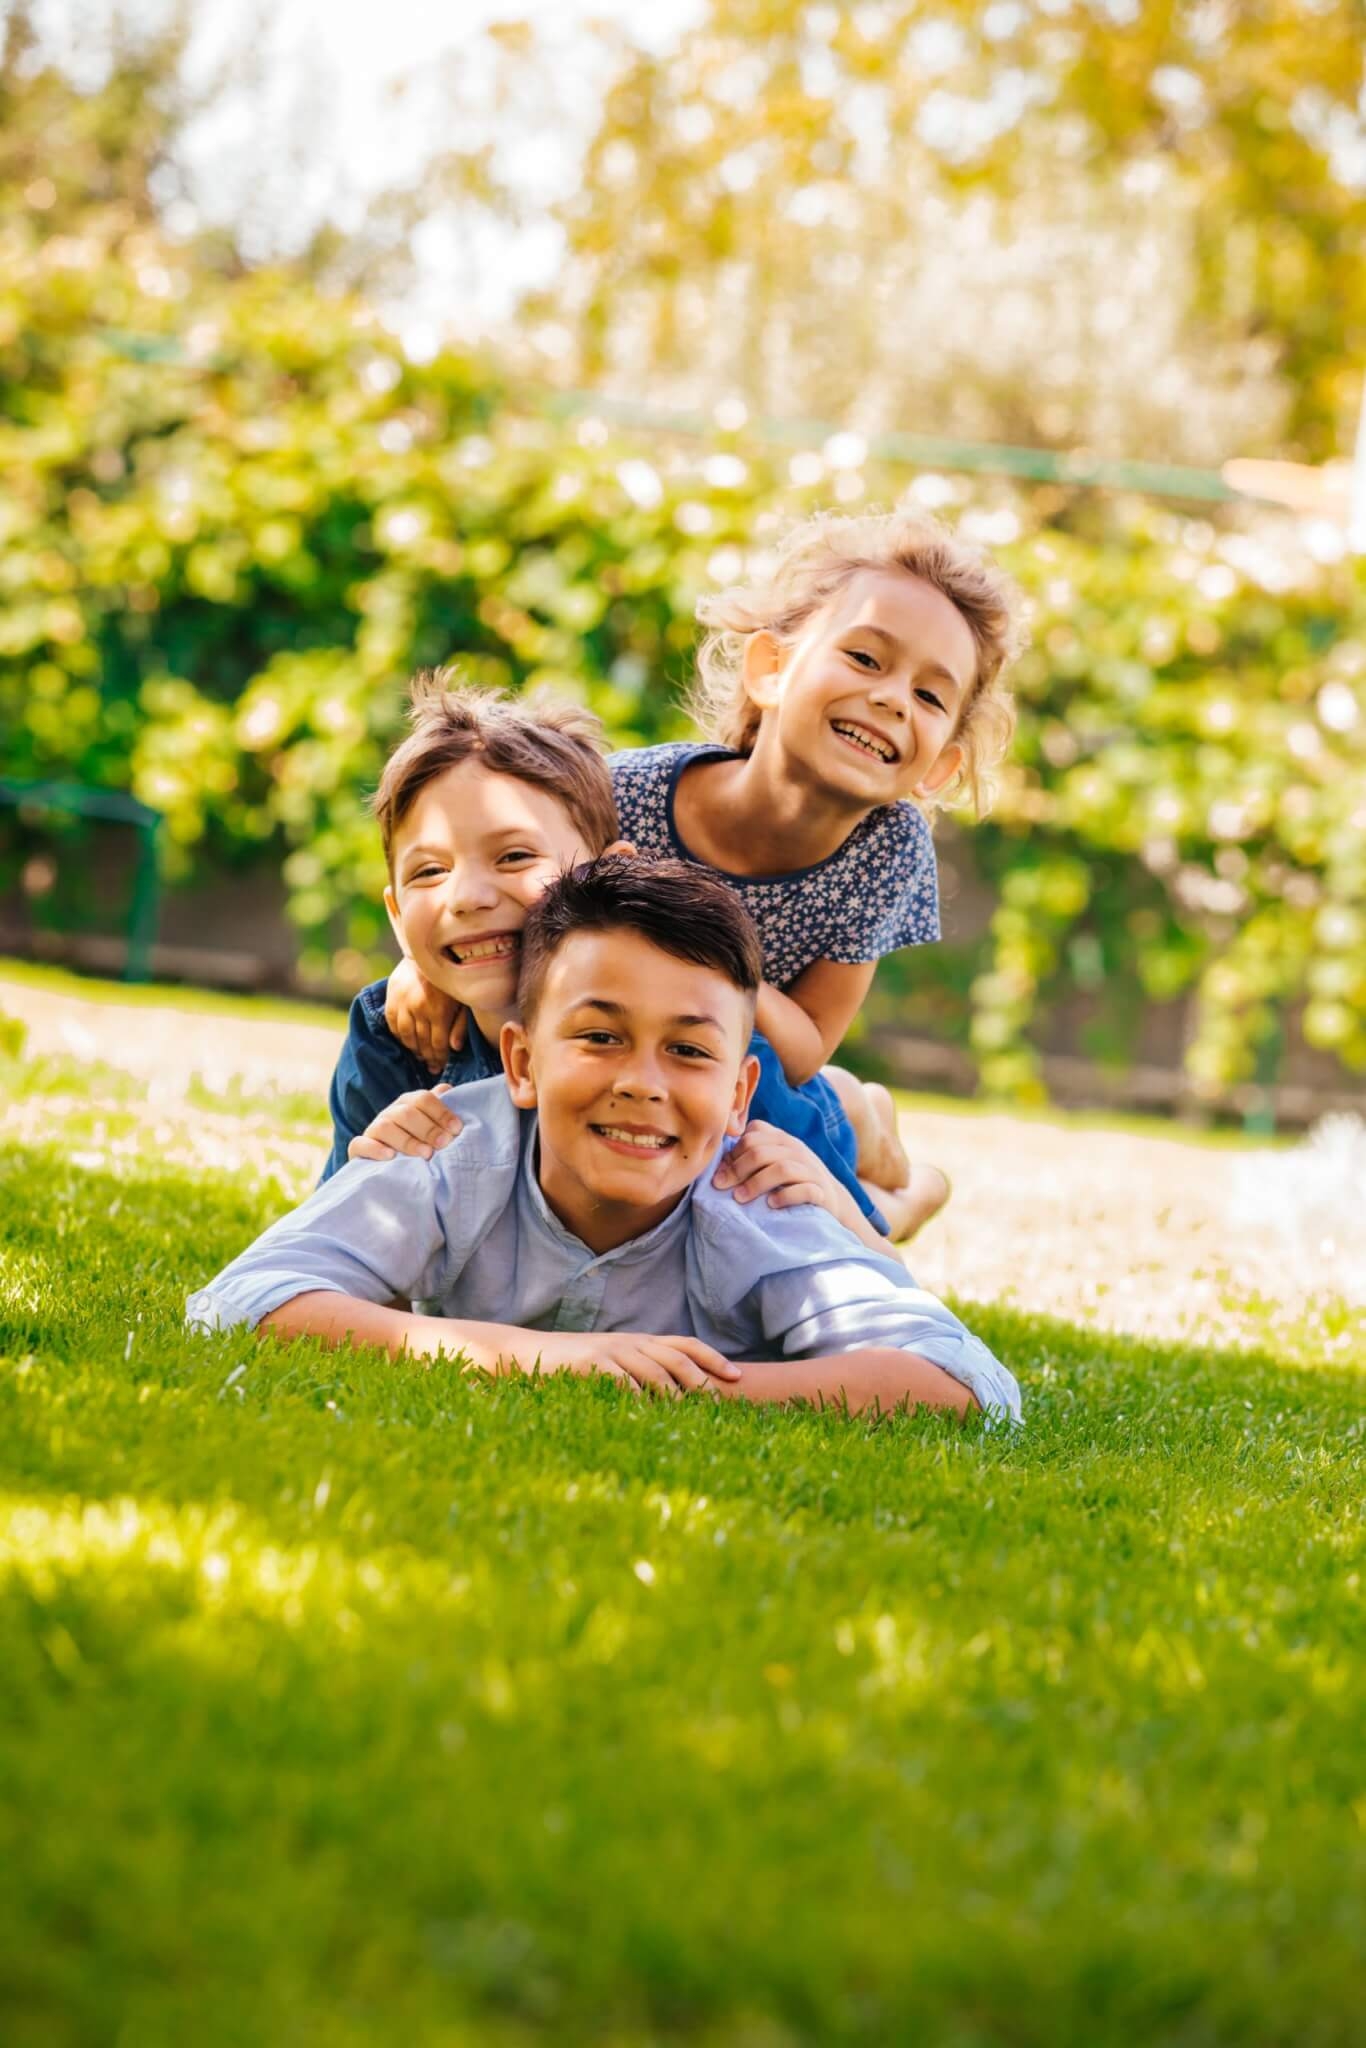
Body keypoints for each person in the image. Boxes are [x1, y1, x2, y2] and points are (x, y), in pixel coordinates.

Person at [188, 857, 1021, 1425]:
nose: (643, 1083)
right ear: (520, 1061)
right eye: (600, 1037)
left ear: (737, 1098)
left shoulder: (756, 1200)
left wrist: (691, 1387)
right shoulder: (453, 1146)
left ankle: (898, 1176)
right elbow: (238, 1301)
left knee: (868, 1207)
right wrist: (536, 1358)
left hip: (818, 1178)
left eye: (689, 1050)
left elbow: (970, 1385)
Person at [383, 506, 1021, 1239]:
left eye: (929, 696)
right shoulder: (628, 795)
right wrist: (420, 970)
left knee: (812, 1178)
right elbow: (509, 903)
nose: (890, 698)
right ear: (770, 669)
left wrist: (704, 955)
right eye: (866, 659)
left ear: (939, 767)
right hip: (616, 1045)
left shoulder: (889, 849)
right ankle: (853, 1109)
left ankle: (908, 1191)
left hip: (757, 1062)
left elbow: (807, 1038)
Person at [322, 671, 907, 1252]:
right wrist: (374, 1171)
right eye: (430, 871)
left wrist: (843, 1208)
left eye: (515, 855)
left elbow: (864, 1256)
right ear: (398, 917)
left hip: (799, 1110)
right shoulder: (393, 1040)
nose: (467, 897)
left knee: (869, 1195)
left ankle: (886, 1145)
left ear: (609, 872)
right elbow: (329, 1245)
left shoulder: (701, 1050)